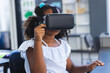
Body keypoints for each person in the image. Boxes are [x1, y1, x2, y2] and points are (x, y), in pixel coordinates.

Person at [18, 3, 104, 73]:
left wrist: (87, 67)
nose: (57, 23)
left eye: (59, 19)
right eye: (52, 19)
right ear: (40, 22)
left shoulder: (62, 45)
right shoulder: (31, 46)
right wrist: (37, 42)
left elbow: (71, 68)